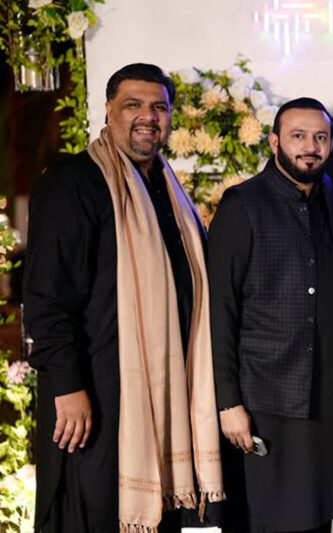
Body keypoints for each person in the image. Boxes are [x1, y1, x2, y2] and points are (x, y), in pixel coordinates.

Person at [23, 63, 224, 533]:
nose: (147, 117)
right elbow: (47, 296)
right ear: (109, 110)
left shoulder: (167, 190)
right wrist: (68, 386)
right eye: (133, 105)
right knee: (96, 513)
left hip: (162, 393)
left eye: (159, 107)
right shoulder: (74, 181)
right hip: (97, 392)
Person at [207, 97, 333, 533]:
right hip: (264, 399)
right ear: (275, 142)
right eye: (298, 136)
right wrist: (228, 402)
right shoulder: (242, 204)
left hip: (325, 398)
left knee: (318, 520)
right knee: (267, 520)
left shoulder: (332, 195)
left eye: (320, 137)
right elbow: (219, 310)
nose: (309, 147)